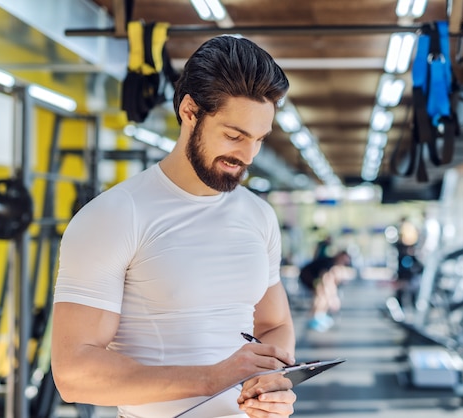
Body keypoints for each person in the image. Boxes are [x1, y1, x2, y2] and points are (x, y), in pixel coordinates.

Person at [51, 35, 297, 418]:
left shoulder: (258, 216)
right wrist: (213, 378)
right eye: (234, 136)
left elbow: (274, 324)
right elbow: (74, 374)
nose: (247, 156)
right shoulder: (116, 215)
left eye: (258, 140)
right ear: (189, 111)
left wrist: (273, 381)